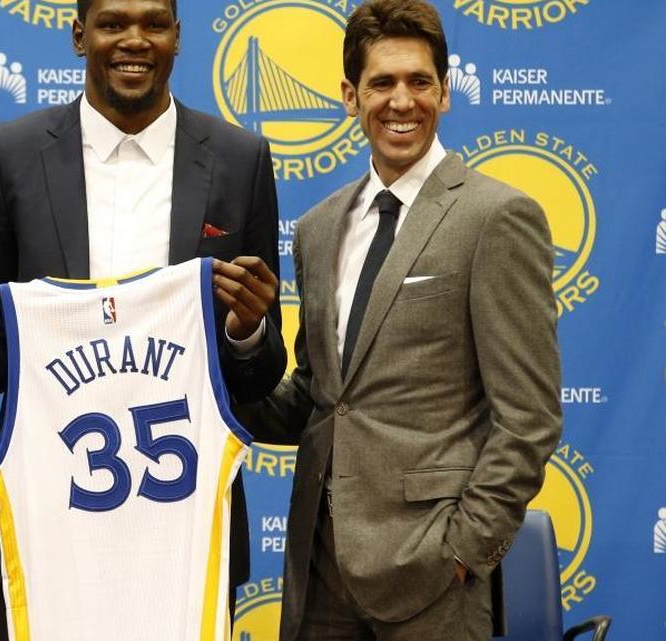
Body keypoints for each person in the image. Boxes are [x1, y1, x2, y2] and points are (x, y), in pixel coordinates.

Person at [0, 0, 286, 636]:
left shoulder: (241, 159)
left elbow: (260, 375)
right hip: (50, 524)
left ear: (178, 37)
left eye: (154, 23)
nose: (135, 40)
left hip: (188, 529)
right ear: (78, 36)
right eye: (113, 23)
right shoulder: (9, 154)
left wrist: (246, 332)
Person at [237, 1, 563, 639]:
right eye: (382, 82)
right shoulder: (318, 228)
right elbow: (320, 399)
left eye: (419, 81)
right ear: (349, 95)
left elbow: (530, 417)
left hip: (435, 578)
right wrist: (217, 370)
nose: (401, 100)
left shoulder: (497, 217)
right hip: (319, 570)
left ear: (445, 91)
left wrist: (464, 550)